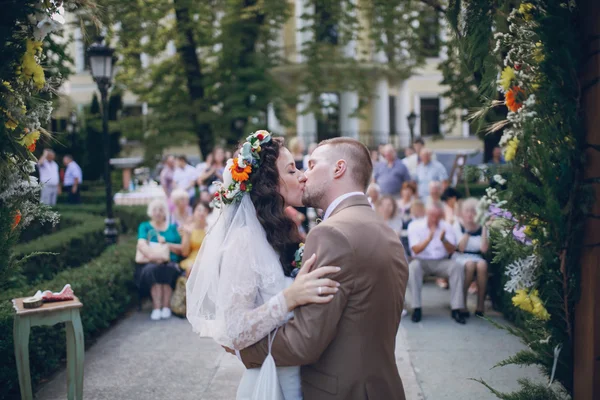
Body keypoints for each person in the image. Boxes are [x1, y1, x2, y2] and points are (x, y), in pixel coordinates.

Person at [230, 137, 409, 399]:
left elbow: (304, 342)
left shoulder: (331, 234)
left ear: (338, 169)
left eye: (311, 165)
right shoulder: (385, 230)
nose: (304, 175)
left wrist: (240, 347)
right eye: (295, 169)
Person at [187, 131, 341, 400]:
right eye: (292, 171)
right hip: (270, 384)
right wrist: (288, 298)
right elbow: (234, 330)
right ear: (270, 183)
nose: (303, 176)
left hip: (299, 377)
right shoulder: (243, 241)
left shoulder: (278, 233)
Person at [407, 201, 466, 324]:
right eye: (432, 215)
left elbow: (451, 250)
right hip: (422, 261)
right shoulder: (415, 225)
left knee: (457, 267)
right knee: (413, 268)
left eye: (437, 216)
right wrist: (429, 238)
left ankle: (456, 308)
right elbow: (415, 250)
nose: (434, 219)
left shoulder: (446, 227)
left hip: (441, 261)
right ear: (427, 213)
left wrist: (443, 239)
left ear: (441, 216)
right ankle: (416, 307)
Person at [136, 200, 183, 320]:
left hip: (170, 261)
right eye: (155, 210)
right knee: (153, 270)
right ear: (150, 212)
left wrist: (167, 243)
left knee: (167, 269)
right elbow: (141, 244)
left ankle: (166, 306)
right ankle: (157, 307)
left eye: (161, 210)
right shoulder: (145, 226)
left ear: (165, 213)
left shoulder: (172, 228)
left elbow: (181, 249)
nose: (157, 213)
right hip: (150, 262)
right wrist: (156, 258)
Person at [452, 198, 489, 317]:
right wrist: (468, 232)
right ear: (462, 212)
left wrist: (484, 227)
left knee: (482, 265)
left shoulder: (482, 226)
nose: (470, 214)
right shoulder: (457, 225)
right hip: (460, 256)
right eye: (467, 211)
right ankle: (462, 302)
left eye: (473, 211)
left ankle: (480, 304)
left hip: (476, 256)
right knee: (470, 265)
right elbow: (460, 248)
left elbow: (484, 249)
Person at [179, 202, 209, 277]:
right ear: (194, 212)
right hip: (193, 259)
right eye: (199, 210)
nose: (202, 213)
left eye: (205, 210)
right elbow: (184, 253)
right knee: (192, 268)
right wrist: (187, 235)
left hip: (208, 258)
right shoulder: (188, 229)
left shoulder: (211, 227)